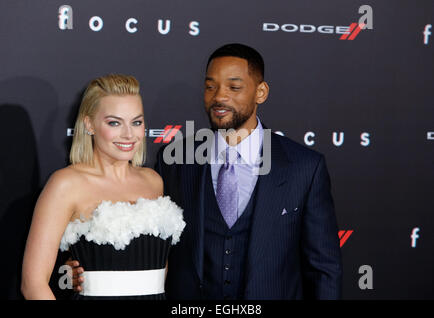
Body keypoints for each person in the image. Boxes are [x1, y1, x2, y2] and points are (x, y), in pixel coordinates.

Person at [72, 43, 343, 299]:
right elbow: (141, 241)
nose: (219, 97)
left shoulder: (304, 168)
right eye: (210, 87)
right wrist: (82, 269)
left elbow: (324, 270)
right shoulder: (174, 160)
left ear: (261, 92)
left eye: (234, 87)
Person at [21, 74, 185, 300]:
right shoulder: (66, 184)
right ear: (89, 124)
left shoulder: (153, 181)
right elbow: (33, 284)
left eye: (136, 122)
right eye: (114, 123)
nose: (129, 134)